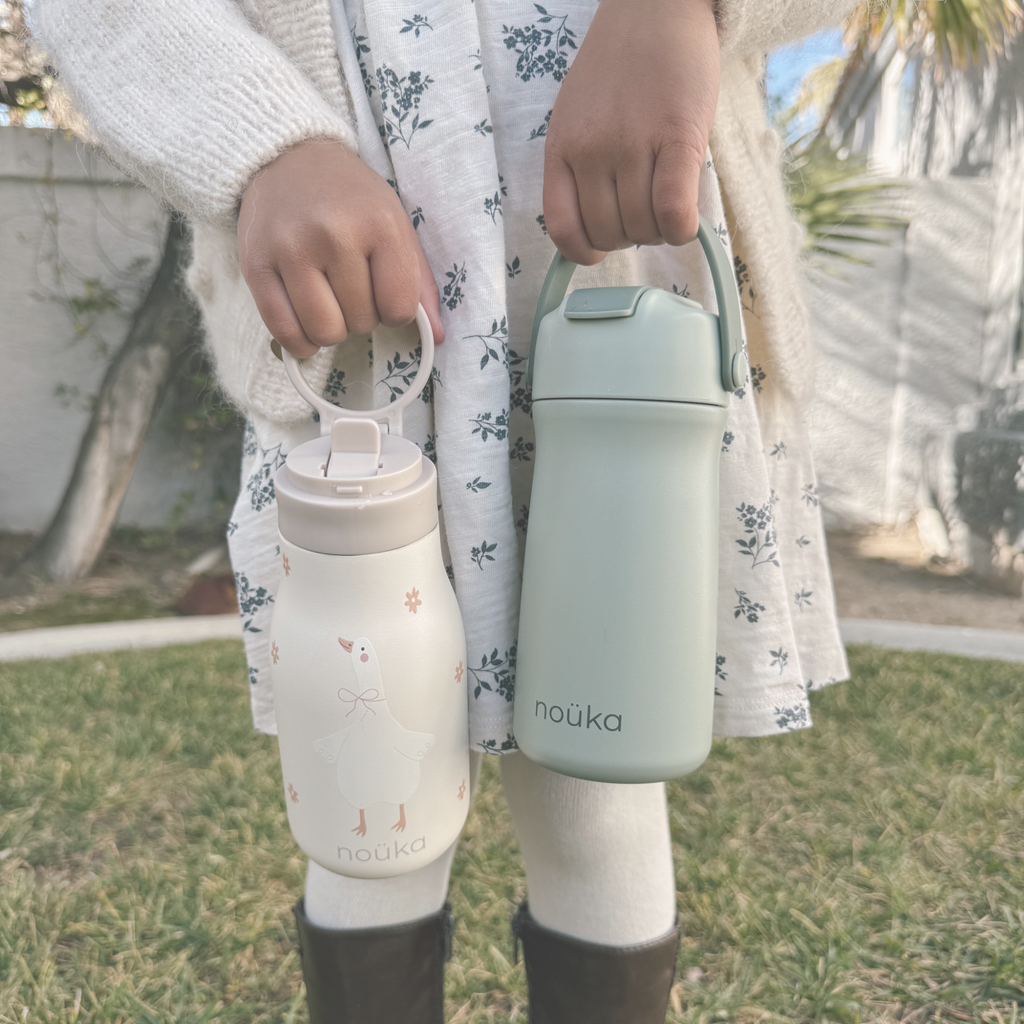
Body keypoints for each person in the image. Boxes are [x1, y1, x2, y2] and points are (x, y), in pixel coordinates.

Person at [31, 0, 858, 1020]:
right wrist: (261, 143)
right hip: (358, 325)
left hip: (628, 315)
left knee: (602, 775)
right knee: (374, 805)